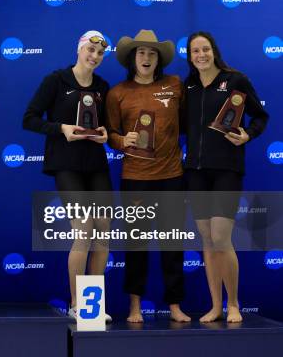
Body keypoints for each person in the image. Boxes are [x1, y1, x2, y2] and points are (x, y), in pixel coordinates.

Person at [23, 30, 112, 322]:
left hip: (96, 165)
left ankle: (94, 305)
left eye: (99, 54)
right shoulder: (56, 80)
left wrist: (104, 135)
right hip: (66, 164)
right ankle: (78, 304)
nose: (94, 57)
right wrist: (61, 129)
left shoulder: (102, 86)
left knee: (102, 233)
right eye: (90, 50)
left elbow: (106, 127)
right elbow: (30, 119)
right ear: (79, 49)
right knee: (84, 229)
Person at [106, 29, 190, 323]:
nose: (146, 57)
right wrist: (121, 141)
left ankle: (176, 306)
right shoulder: (117, 93)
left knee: (172, 245)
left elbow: (191, 121)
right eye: (141, 52)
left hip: (171, 177)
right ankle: (134, 307)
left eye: (151, 53)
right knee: (136, 245)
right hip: (135, 177)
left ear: (159, 59)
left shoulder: (175, 85)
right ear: (132, 58)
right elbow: (110, 135)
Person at [184, 32, 268, 323]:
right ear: (190, 56)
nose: (201, 55)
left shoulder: (236, 80)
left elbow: (260, 116)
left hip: (226, 170)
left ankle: (233, 304)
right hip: (194, 172)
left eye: (205, 49)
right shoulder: (189, 86)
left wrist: (249, 134)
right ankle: (215, 305)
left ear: (214, 51)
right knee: (207, 240)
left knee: (221, 237)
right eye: (195, 51)